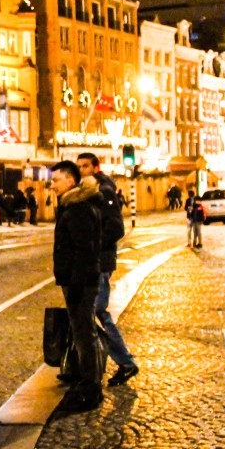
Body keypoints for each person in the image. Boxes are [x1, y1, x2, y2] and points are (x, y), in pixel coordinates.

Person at [77, 152, 138, 387]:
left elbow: (116, 228)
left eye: (85, 166)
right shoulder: (89, 190)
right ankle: (86, 363)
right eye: (79, 166)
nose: (82, 170)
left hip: (100, 261)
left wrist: (93, 244)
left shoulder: (104, 192)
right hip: (92, 261)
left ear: (95, 167)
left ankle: (124, 362)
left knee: (97, 311)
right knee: (90, 311)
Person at [50, 160, 104, 412]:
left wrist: (77, 285)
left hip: (79, 282)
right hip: (75, 280)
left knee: (84, 333)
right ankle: (87, 381)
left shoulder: (78, 209)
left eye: (56, 180)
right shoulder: (71, 206)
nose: (52, 185)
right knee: (83, 331)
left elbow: (85, 251)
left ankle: (91, 388)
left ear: (70, 182)